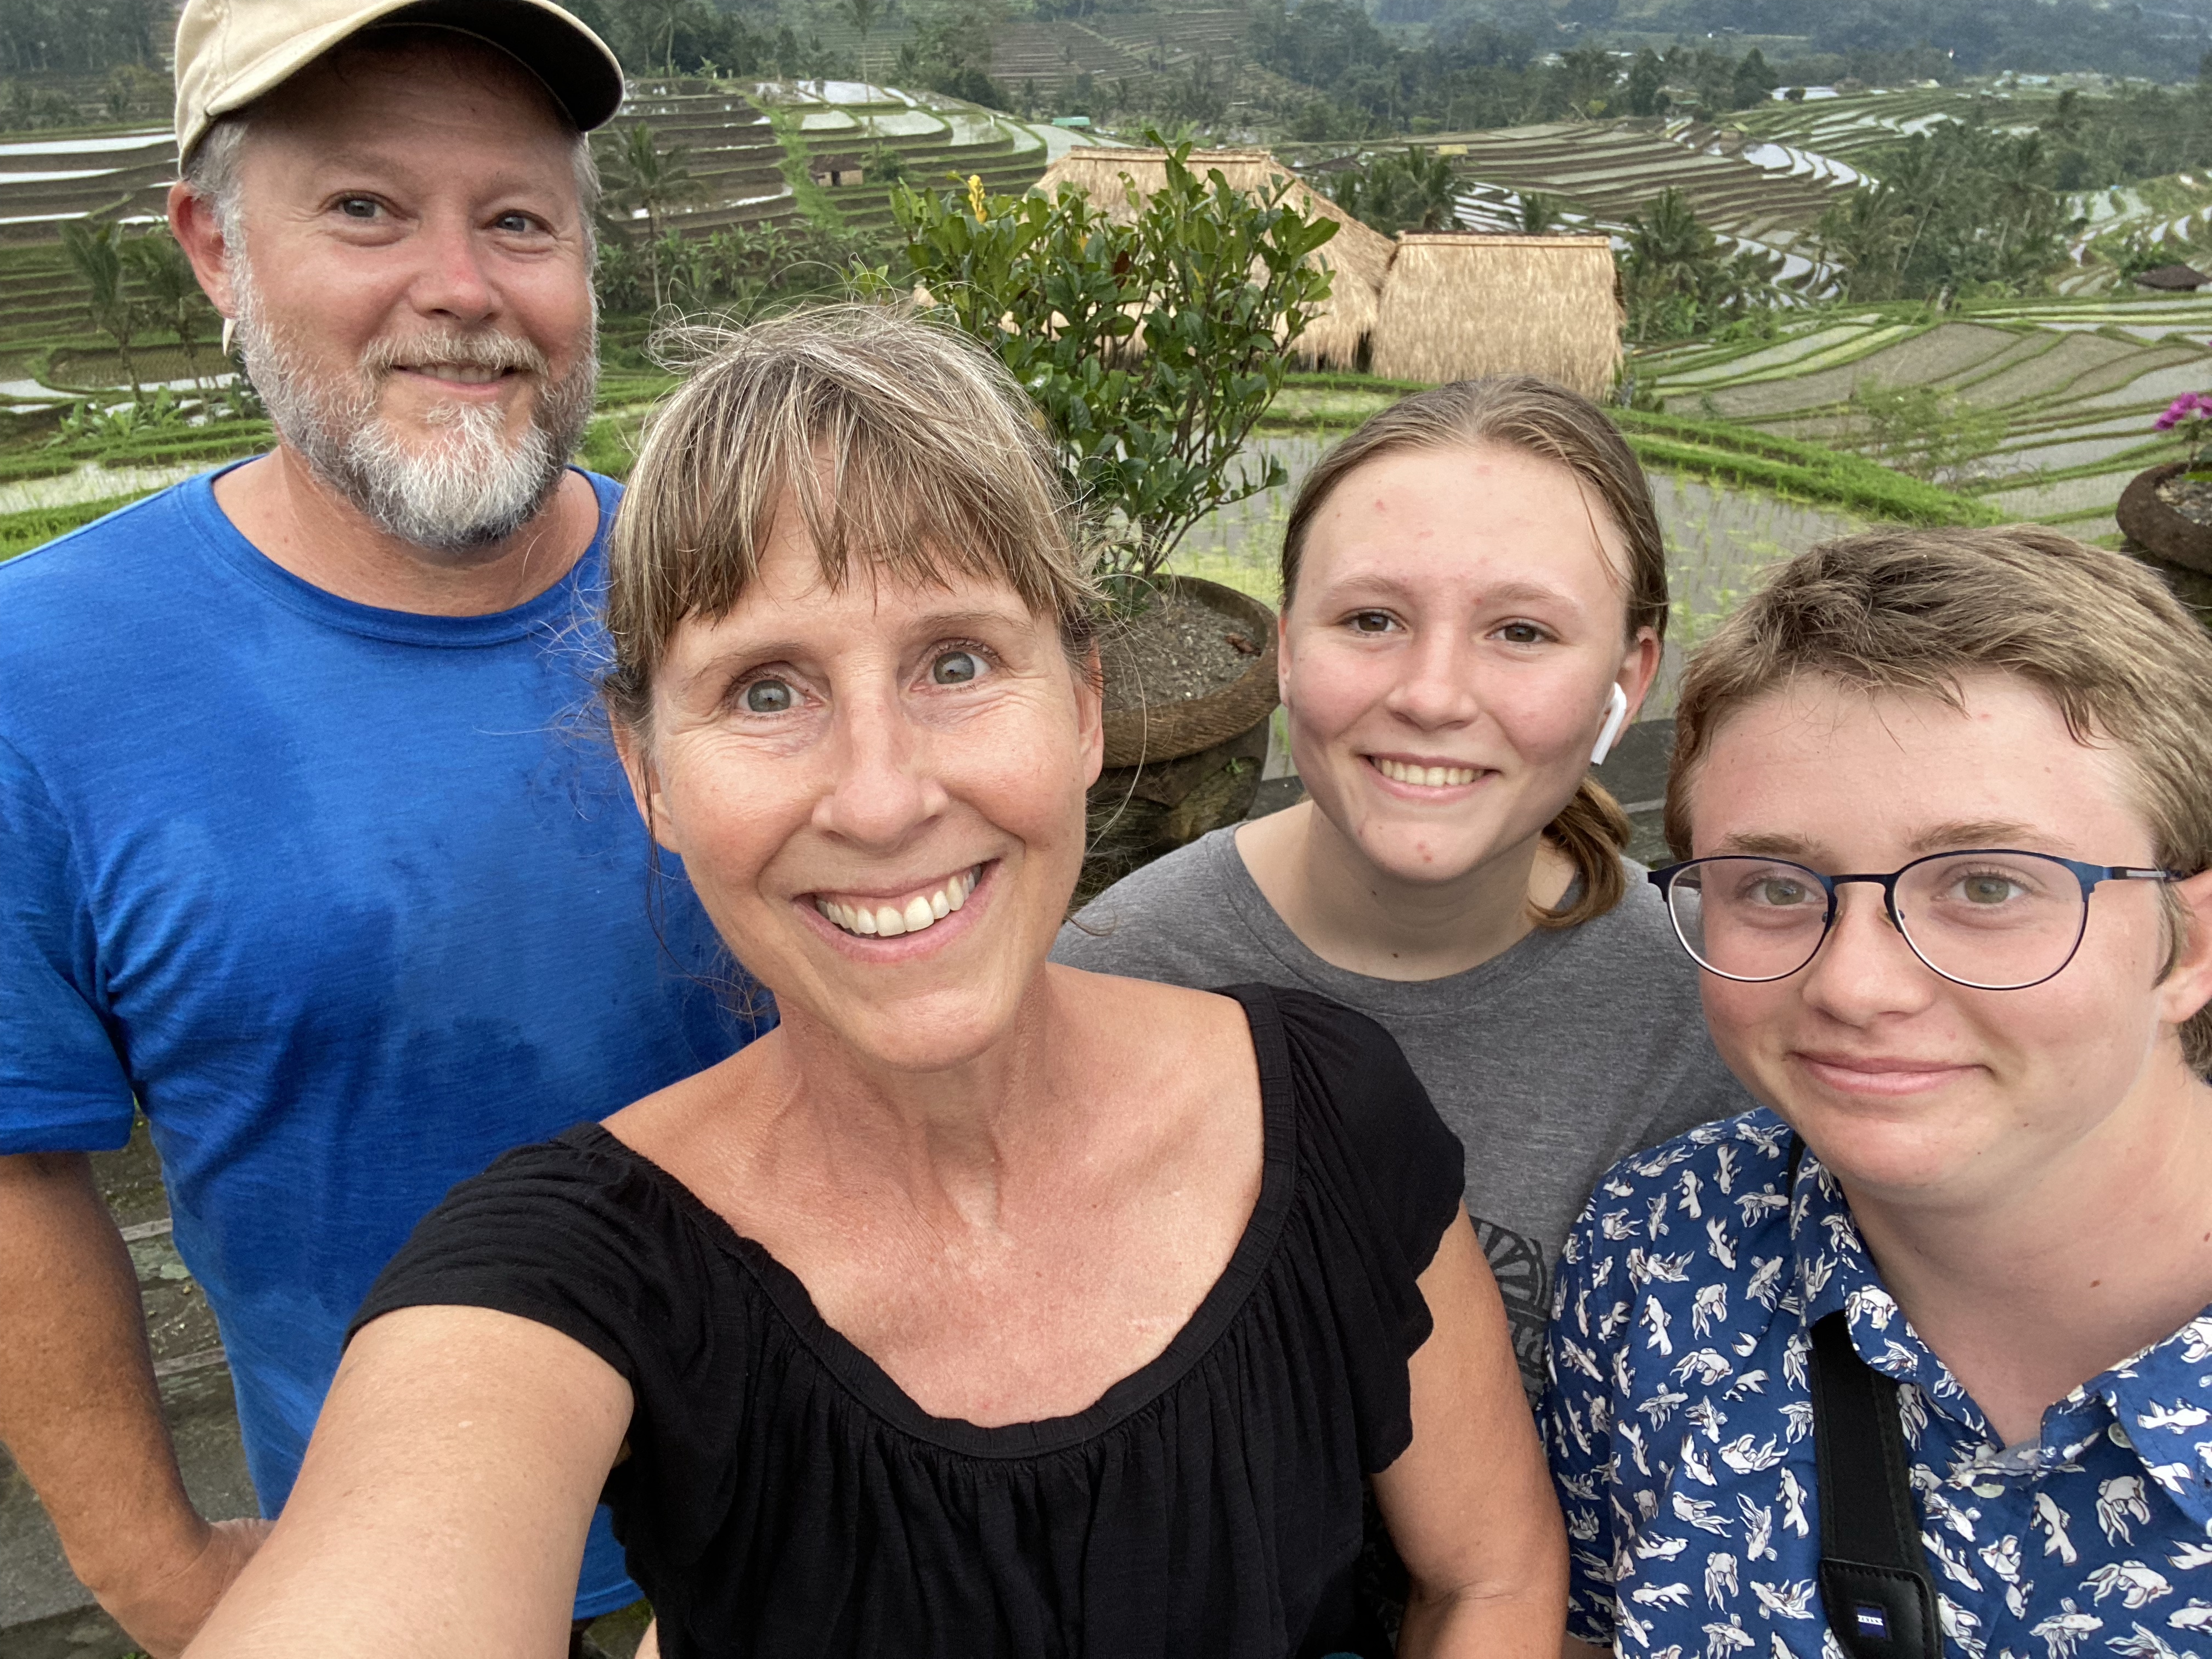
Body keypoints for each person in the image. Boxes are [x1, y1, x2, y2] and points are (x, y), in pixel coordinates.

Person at [179, 306, 1568, 1659]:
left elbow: (1493, 1578)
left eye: (956, 662)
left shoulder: (1330, 1110)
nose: (884, 797)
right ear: (648, 770)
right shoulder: (567, 1275)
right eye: (766, 691)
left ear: (1084, 706)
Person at [0, 4, 766, 1651]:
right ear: (215, 247)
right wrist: (154, 1568)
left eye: (520, 220)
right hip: (395, 1577)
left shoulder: (740, 604)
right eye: (366, 209)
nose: (463, 288)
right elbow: (14, 1161)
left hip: (819, 1526)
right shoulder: (39, 677)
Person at [1544, 526, 2212, 1658]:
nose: (1853, 986)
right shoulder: (1660, 1249)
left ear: (2189, 943)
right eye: (1773, 886)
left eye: (1987, 886)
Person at [1054, 377, 1755, 1396]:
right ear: (1287, 650)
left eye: (1521, 632)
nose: (1431, 696)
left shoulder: (1726, 1007)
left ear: (1629, 679)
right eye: (1372, 618)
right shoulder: (1116, 981)